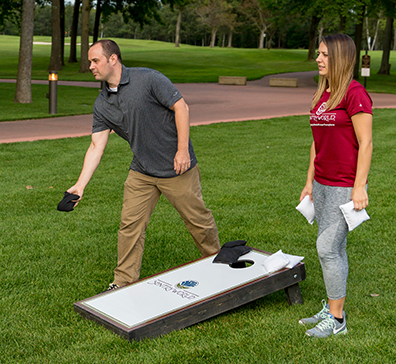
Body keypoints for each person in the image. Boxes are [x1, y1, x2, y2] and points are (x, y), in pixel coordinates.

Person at [66, 39, 220, 291]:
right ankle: (123, 281)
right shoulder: (102, 103)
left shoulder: (148, 79)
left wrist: (182, 151)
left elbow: (181, 107)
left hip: (176, 167)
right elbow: (96, 146)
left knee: (198, 220)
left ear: (112, 59)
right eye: (90, 62)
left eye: (95, 60)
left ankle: (216, 261)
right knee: (130, 225)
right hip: (142, 170)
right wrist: (80, 185)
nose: (90, 66)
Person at [298, 34, 373, 338]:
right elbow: (316, 144)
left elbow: (366, 143)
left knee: (327, 249)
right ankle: (331, 308)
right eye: (318, 53)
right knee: (334, 249)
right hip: (322, 182)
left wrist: (360, 186)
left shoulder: (355, 94)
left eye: (325, 54)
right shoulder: (323, 94)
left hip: (345, 184)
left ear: (341, 57)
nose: (318, 59)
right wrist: (308, 183)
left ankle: (338, 319)